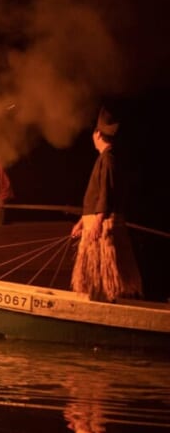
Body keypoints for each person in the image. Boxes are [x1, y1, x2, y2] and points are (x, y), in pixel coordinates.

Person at [70, 108, 142, 302]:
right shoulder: (105, 158)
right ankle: (98, 299)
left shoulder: (108, 160)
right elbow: (96, 198)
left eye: (93, 134)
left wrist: (98, 221)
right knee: (95, 271)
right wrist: (81, 222)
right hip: (94, 219)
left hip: (102, 223)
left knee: (102, 269)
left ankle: (103, 301)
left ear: (98, 134)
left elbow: (106, 193)